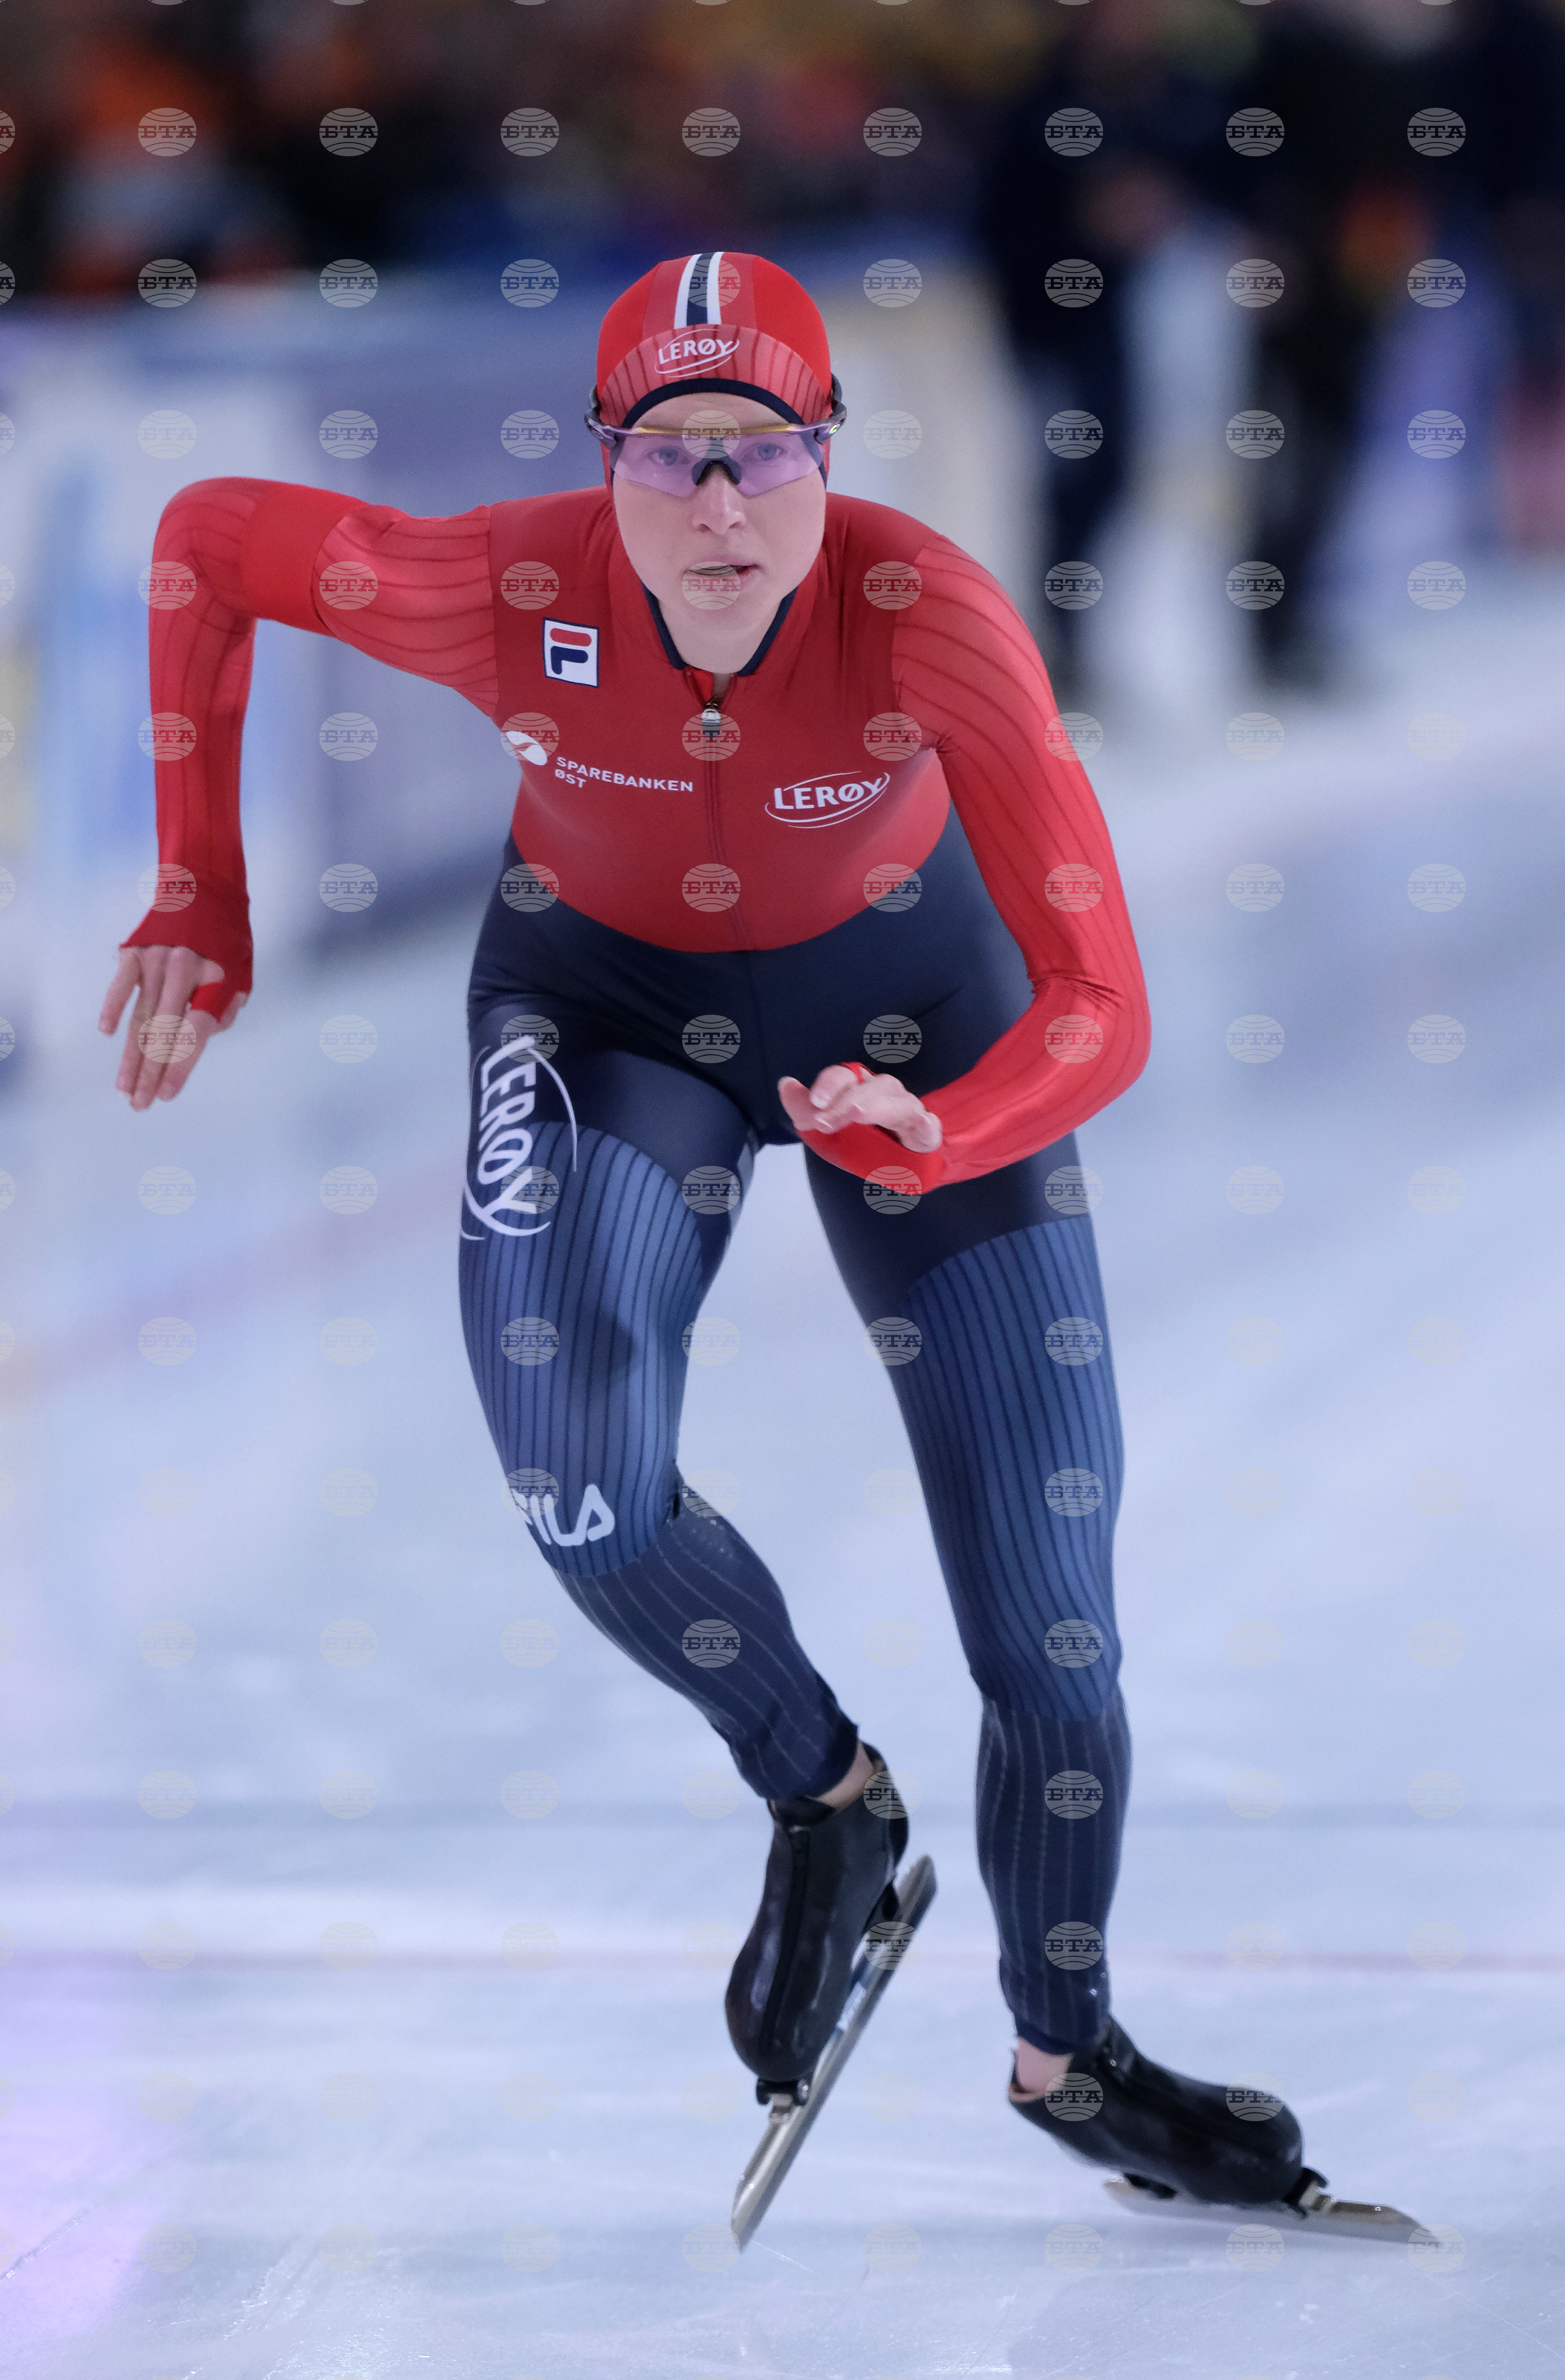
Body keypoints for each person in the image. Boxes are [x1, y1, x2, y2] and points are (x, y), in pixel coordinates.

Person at [100, 251, 1307, 2210]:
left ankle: (1066, 2044)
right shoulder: (508, 581)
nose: (722, 507)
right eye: (671, 460)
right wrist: (199, 888)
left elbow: (1106, 1003)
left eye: (765, 454)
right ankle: (819, 1789)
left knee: (1053, 1629)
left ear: (833, 457)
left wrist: (948, 1126)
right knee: (578, 1476)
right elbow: (207, 542)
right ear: (603, 465)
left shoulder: (934, 619)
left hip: (919, 1031)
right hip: (607, 1016)